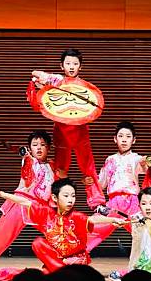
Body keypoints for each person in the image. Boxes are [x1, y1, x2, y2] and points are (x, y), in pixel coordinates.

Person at [0, 178, 126, 273]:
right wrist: (3, 195)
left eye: (73, 196)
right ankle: (62, 272)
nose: (70, 200)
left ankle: (61, 272)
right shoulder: (45, 213)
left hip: (76, 260)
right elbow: (26, 202)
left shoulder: (76, 216)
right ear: (55, 198)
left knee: (45, 274)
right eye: (66, 195)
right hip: (58, 259)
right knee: (38, 243)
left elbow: (93, 220)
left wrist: (112, 220)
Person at [30, 48, 105, 209]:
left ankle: (97, 203)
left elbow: (96, 106)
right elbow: (35, 73)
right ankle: (55, 202)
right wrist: (44, 79)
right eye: (68, 63)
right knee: (60, 169)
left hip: (80, 132)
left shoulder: (86, 88)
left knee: (88, 168)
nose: (71, 67)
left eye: (75, 64)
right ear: (61, 65)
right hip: (61, 132)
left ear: (80, 67)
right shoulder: (57, 81)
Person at [0, 130, 59, 267]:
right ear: (30, 148)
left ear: (49, 147)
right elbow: (24, 153)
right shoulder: (29, 160)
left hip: (41, 208)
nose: (39, 148)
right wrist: (23, 152)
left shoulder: (53, 166)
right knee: (1, 236)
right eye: (35, 145)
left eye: (43, 144)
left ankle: (58, 263)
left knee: (58, 232)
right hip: (21, 204)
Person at [86, 120, 151, 251]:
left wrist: (145, 162)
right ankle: (72, 258)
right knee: (91, 228)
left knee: (148, 234)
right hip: (113, 204)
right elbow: (101, 184)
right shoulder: (110, 160)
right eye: (121, 136)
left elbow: (143, 167)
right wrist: (90, 181)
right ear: (114, 139)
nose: (124, 140)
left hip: (133, 203)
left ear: (134, 140)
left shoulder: (136, 158)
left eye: (128, 136)